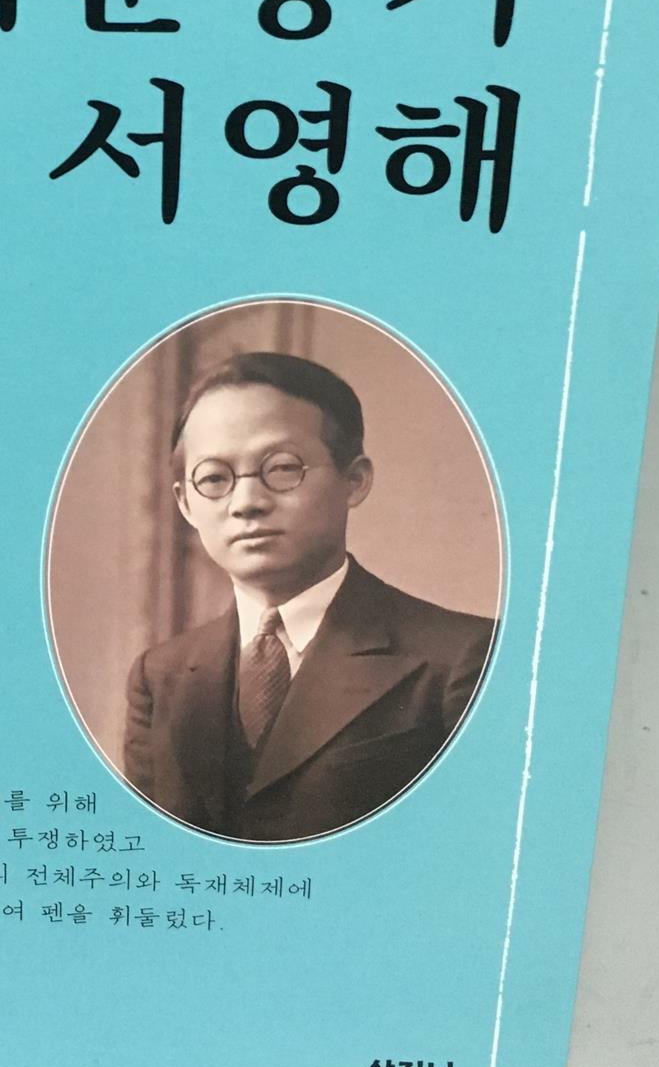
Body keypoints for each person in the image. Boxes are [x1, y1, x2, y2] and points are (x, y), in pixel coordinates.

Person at [123, 351, 494, 844]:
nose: (246, 503)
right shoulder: (160, 676)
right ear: (186, 503)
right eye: (214, 479)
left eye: (282, 468)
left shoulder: (464, 658)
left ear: (354, 481)